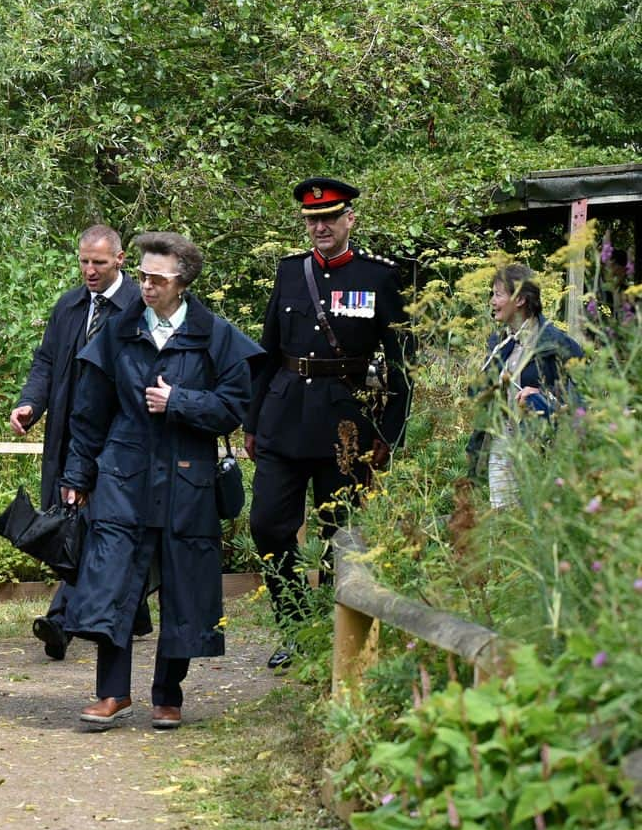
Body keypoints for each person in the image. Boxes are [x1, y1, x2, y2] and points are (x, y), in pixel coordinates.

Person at [59, 232, 263, 730]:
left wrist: (180, 403)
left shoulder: (216, 335)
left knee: (186, 587)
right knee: (112, 580)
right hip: (123, 475)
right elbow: (90, 412)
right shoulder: (117, 331)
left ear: (183, 281)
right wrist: (77, 473)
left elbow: (235, 408)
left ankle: (168, 695)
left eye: (156, 278)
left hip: (187, 480)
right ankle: (111, 694)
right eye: (143, 275)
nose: (145, 285)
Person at [244, 177, 412, 669]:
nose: (319, 226)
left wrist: (389, 434)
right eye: (312, 220)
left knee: (341, 533)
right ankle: (295, 625)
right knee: (268, 527)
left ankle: (338, 639)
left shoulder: (379, 276)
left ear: (348, 221)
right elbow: (268, 351)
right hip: (282, 417)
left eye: (329, 218)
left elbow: (404, 362)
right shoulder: (291, 272)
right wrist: (252, 421)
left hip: (346, 426)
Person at [9, 225, 150, 660]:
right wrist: (30, 405)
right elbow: (47, 362)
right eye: (84, 261)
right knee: (74, 520)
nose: (89, 270)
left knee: (96, 522)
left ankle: (61, 620)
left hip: (117, 438)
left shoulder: (140, 307)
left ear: (121, 260)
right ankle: (135, 612)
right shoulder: (68, 306)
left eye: (99, 263)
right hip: (67, 434)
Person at [466, 264, 583, 508]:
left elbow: (587, 389)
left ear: (519, 299)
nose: (492, 301)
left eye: (498, 294)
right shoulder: (499, 342)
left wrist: (546, 396)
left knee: (534, 516)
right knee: (502, 515)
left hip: (541, 446)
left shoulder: (554, 341)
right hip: (503, 438)